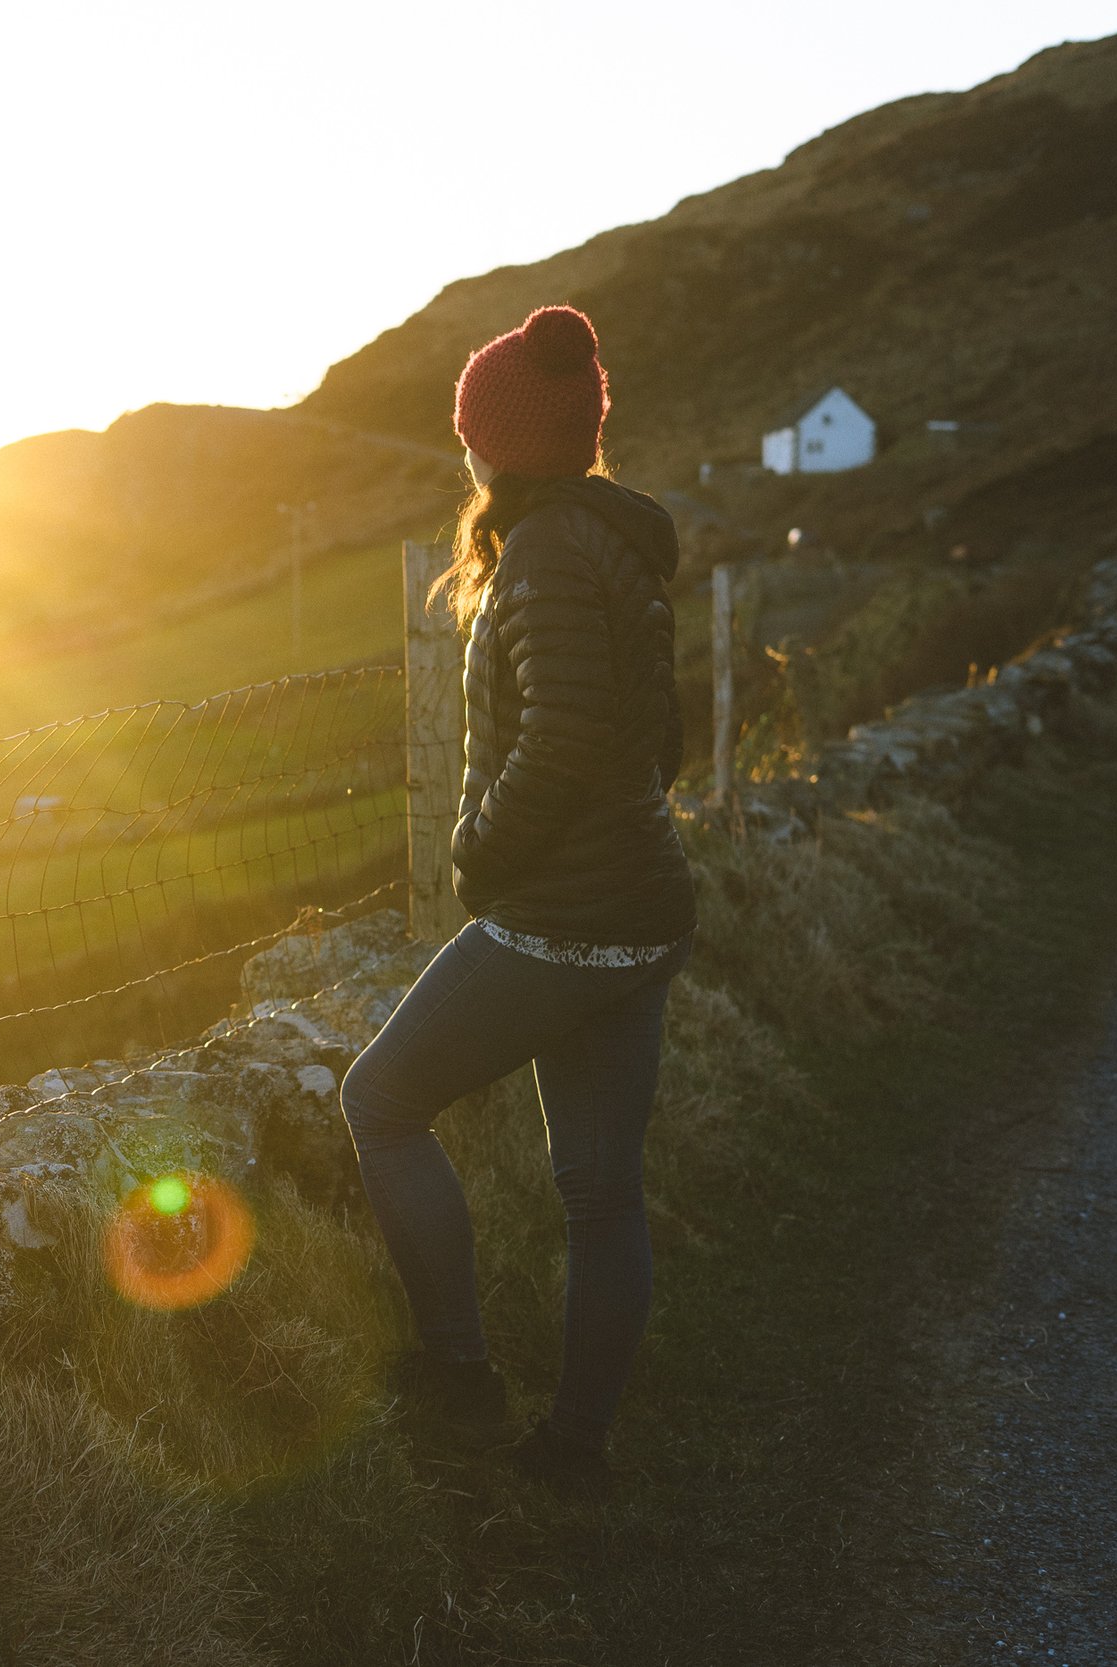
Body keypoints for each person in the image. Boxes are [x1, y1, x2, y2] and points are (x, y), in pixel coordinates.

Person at [338, 304, 697, 1498]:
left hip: (560, 915)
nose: (465, 453)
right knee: (602, 1192)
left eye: (471, 433)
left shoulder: (541, 553)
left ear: (499, 442)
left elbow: (564, 737)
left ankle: (459, 1373)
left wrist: (480, 856)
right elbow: (662, 739)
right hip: (640, 911)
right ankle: (574, 1449)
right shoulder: (621, 544)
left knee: (380, 1098)